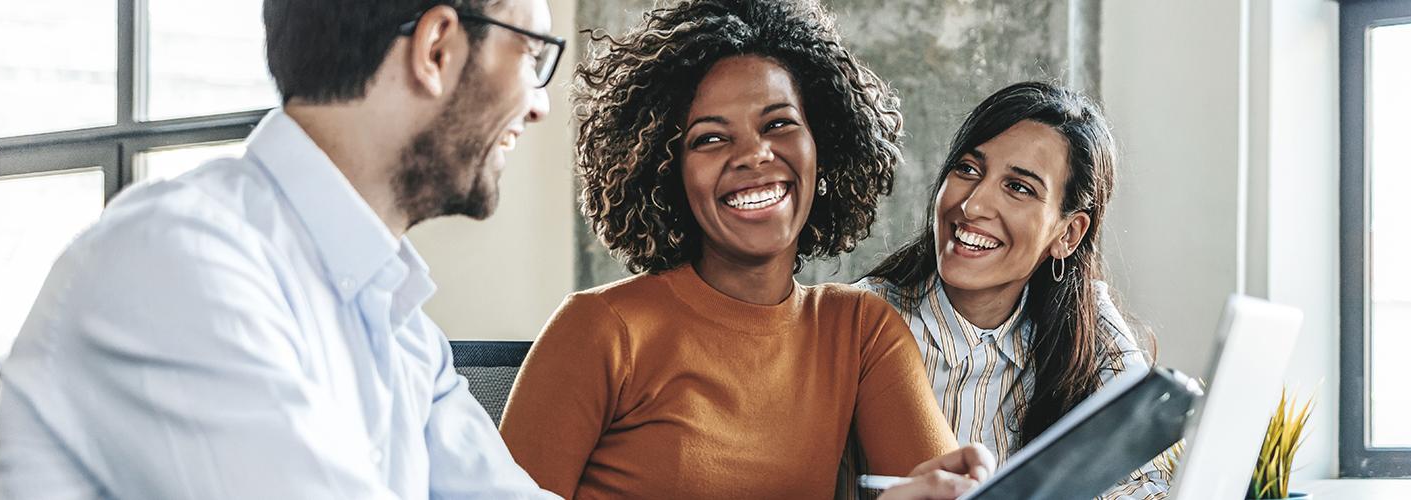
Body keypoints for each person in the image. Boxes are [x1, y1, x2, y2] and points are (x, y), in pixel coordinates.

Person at [0, 0, 562, 497]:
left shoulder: (400, 323)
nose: (541, 105)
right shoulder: (175, 262)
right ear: (437, 49)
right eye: (531, 56)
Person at [497, 1, 993, 499]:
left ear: (822, 143)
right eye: (710, 138)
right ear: (670, 174)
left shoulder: (861, 332)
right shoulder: (600, 329)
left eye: (778, 124)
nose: (755, 154)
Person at [854, 82, 1169, 499]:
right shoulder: (861, 321)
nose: (972, 206)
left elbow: (1150, 486)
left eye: (1019, 187)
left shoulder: (1084, 333)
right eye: (968, 169)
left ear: (1068, 235)